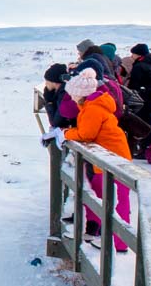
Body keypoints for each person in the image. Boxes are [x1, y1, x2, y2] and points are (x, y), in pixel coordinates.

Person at [57, 68, 133, 250]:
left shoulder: (92, 109)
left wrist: (66, 133)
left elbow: (86, 134)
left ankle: (117, 242)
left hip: (113, 160)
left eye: (72, 95)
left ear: (79, 95)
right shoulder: (93, 106)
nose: (72, 99)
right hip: (112, 158)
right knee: (107, 198)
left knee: (114, 200)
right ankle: (113, 240)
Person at [40, 63, 73, 129]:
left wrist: (49, 101)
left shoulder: (63, 94)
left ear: (54, 81)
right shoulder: (63, 91)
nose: (46, 83)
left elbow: (56, 123)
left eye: (47, 80)